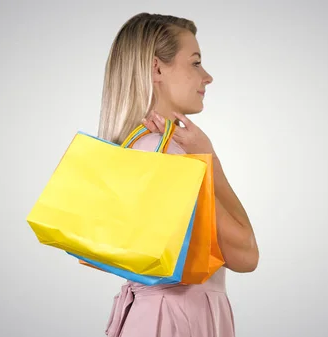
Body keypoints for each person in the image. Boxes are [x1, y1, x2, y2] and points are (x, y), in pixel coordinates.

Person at [97, 12, 259, 337]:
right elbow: (246, 255)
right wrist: (208, 159)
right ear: (157, 68)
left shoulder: (135, 148)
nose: (207, 76)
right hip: (175, 320)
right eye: (196, 63)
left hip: (154, 316)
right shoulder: (167, 155)